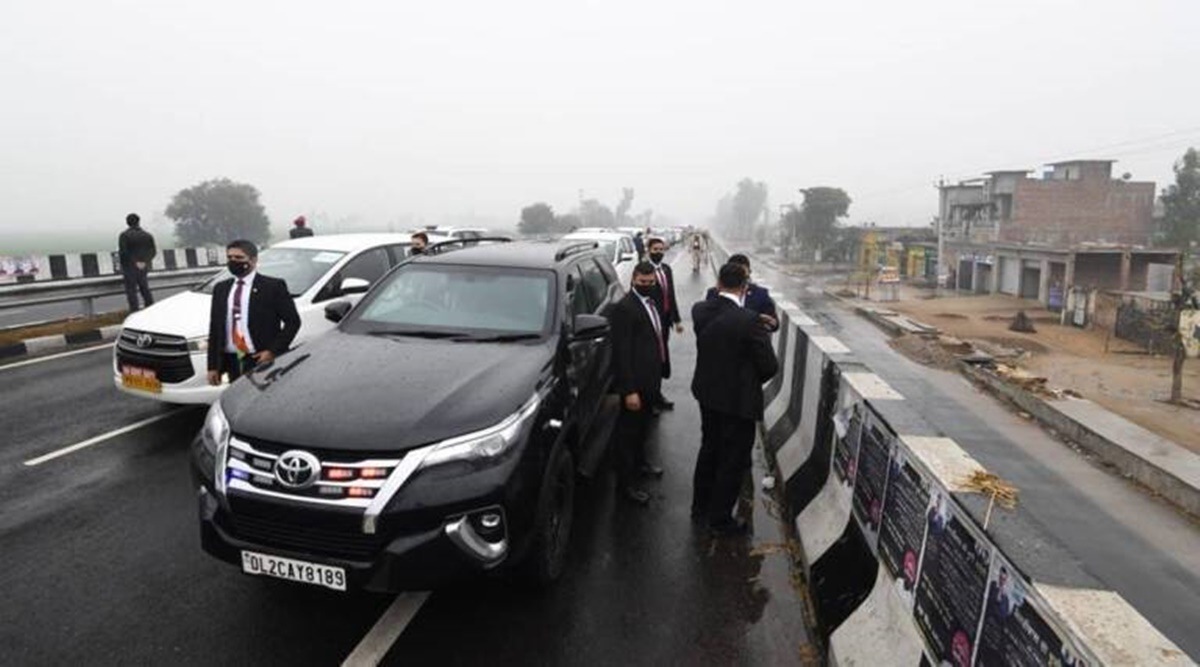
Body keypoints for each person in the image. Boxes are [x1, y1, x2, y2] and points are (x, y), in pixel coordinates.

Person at [690, 263, 779, 534]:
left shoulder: (700, 310)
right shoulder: (749, 321)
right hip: (738, 402)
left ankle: (700, 507)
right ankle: (720, 520)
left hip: (707, 394)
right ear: (744, 286)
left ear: (718, 283)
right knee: (732, 460)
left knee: (709, 450)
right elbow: (769, 366)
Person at [609, 262, 668, 506]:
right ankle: (625, 487)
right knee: (627, 436)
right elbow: (622, 353)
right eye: (643, 283)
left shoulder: (650, 301)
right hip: (635, 384)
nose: (647, 286)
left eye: (651, 282)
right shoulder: (625, 308)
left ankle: (641, 464)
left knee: (643, 428)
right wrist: (629, 390)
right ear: (633, 279)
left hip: (650, 380)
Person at [206, 240, 301, 385]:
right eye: (230, 258)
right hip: (231, 361)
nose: (233, 261)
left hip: (260, 358)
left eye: (239, 258)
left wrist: (272, 351)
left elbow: (293, 322)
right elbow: (215, 328)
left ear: (253, 260)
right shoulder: (221, 289)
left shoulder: (272, 287)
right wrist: (212, 366)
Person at [646, 237, 683, 409]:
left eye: (661, 249)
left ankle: (657, 393)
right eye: (655, 250)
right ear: (648, 250)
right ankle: (650, 397)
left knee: (661, 358)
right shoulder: (644, 271)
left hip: (665, 321)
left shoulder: (667, 269)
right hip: (650, 324)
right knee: (650, 360)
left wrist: (676, 319)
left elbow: (671, 295)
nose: (659, 253)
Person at [705, 254, 779, 331]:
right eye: (737, 276)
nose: (742, 281)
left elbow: (774, 324)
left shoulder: (760, 294)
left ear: (749, 272)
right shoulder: (714, 293)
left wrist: (758, 322)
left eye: (744, 277)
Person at [118, 212, 157, 312]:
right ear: (138, 222)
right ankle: (150, 309)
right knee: (145, 289)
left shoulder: (124, 235)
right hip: (144, 268)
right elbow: (153, 251)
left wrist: (135, 262)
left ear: (127, 223)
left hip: (130, 268)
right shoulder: (147, 235)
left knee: (132, 292)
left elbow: (124, 253)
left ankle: (134, 312)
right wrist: (144, 262)